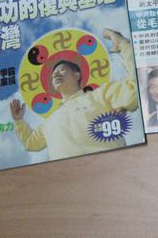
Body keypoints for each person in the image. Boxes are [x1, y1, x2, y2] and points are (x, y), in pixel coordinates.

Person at [9, 29, 139, 160]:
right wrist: (19, 120)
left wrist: (123, 44)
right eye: (53, 75)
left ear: (77, 75)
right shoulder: (49, 120)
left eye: (61, 69)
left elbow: (135, 89)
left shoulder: (100, 96)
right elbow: (31, 143)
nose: (56, 74)